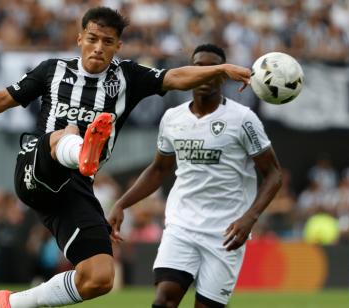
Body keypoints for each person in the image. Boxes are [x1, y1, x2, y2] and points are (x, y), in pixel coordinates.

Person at [0, 7, 251, 308]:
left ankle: (13, 303)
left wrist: (220, 69)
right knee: (69, 131)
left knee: (99, 277)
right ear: (79, 38)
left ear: (118, 46)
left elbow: (175, 77)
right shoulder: (52, 70)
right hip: (36, 168)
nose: (98, 47)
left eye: (108, 41)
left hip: (75, 187)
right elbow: (3, 99)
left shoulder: (128, 76)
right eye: (92, 39)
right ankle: (80, 148)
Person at [108, 44, 282, 308]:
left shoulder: (243, 119)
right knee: (163, 300)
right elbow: (158, 169)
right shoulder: (172, 118)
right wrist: (122, 204)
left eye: (213, 68)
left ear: (223, 75)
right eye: (198, 67)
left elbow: (274, 174)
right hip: (182, 226)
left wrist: (250, 217)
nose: (205, 73)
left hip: (226, 233)